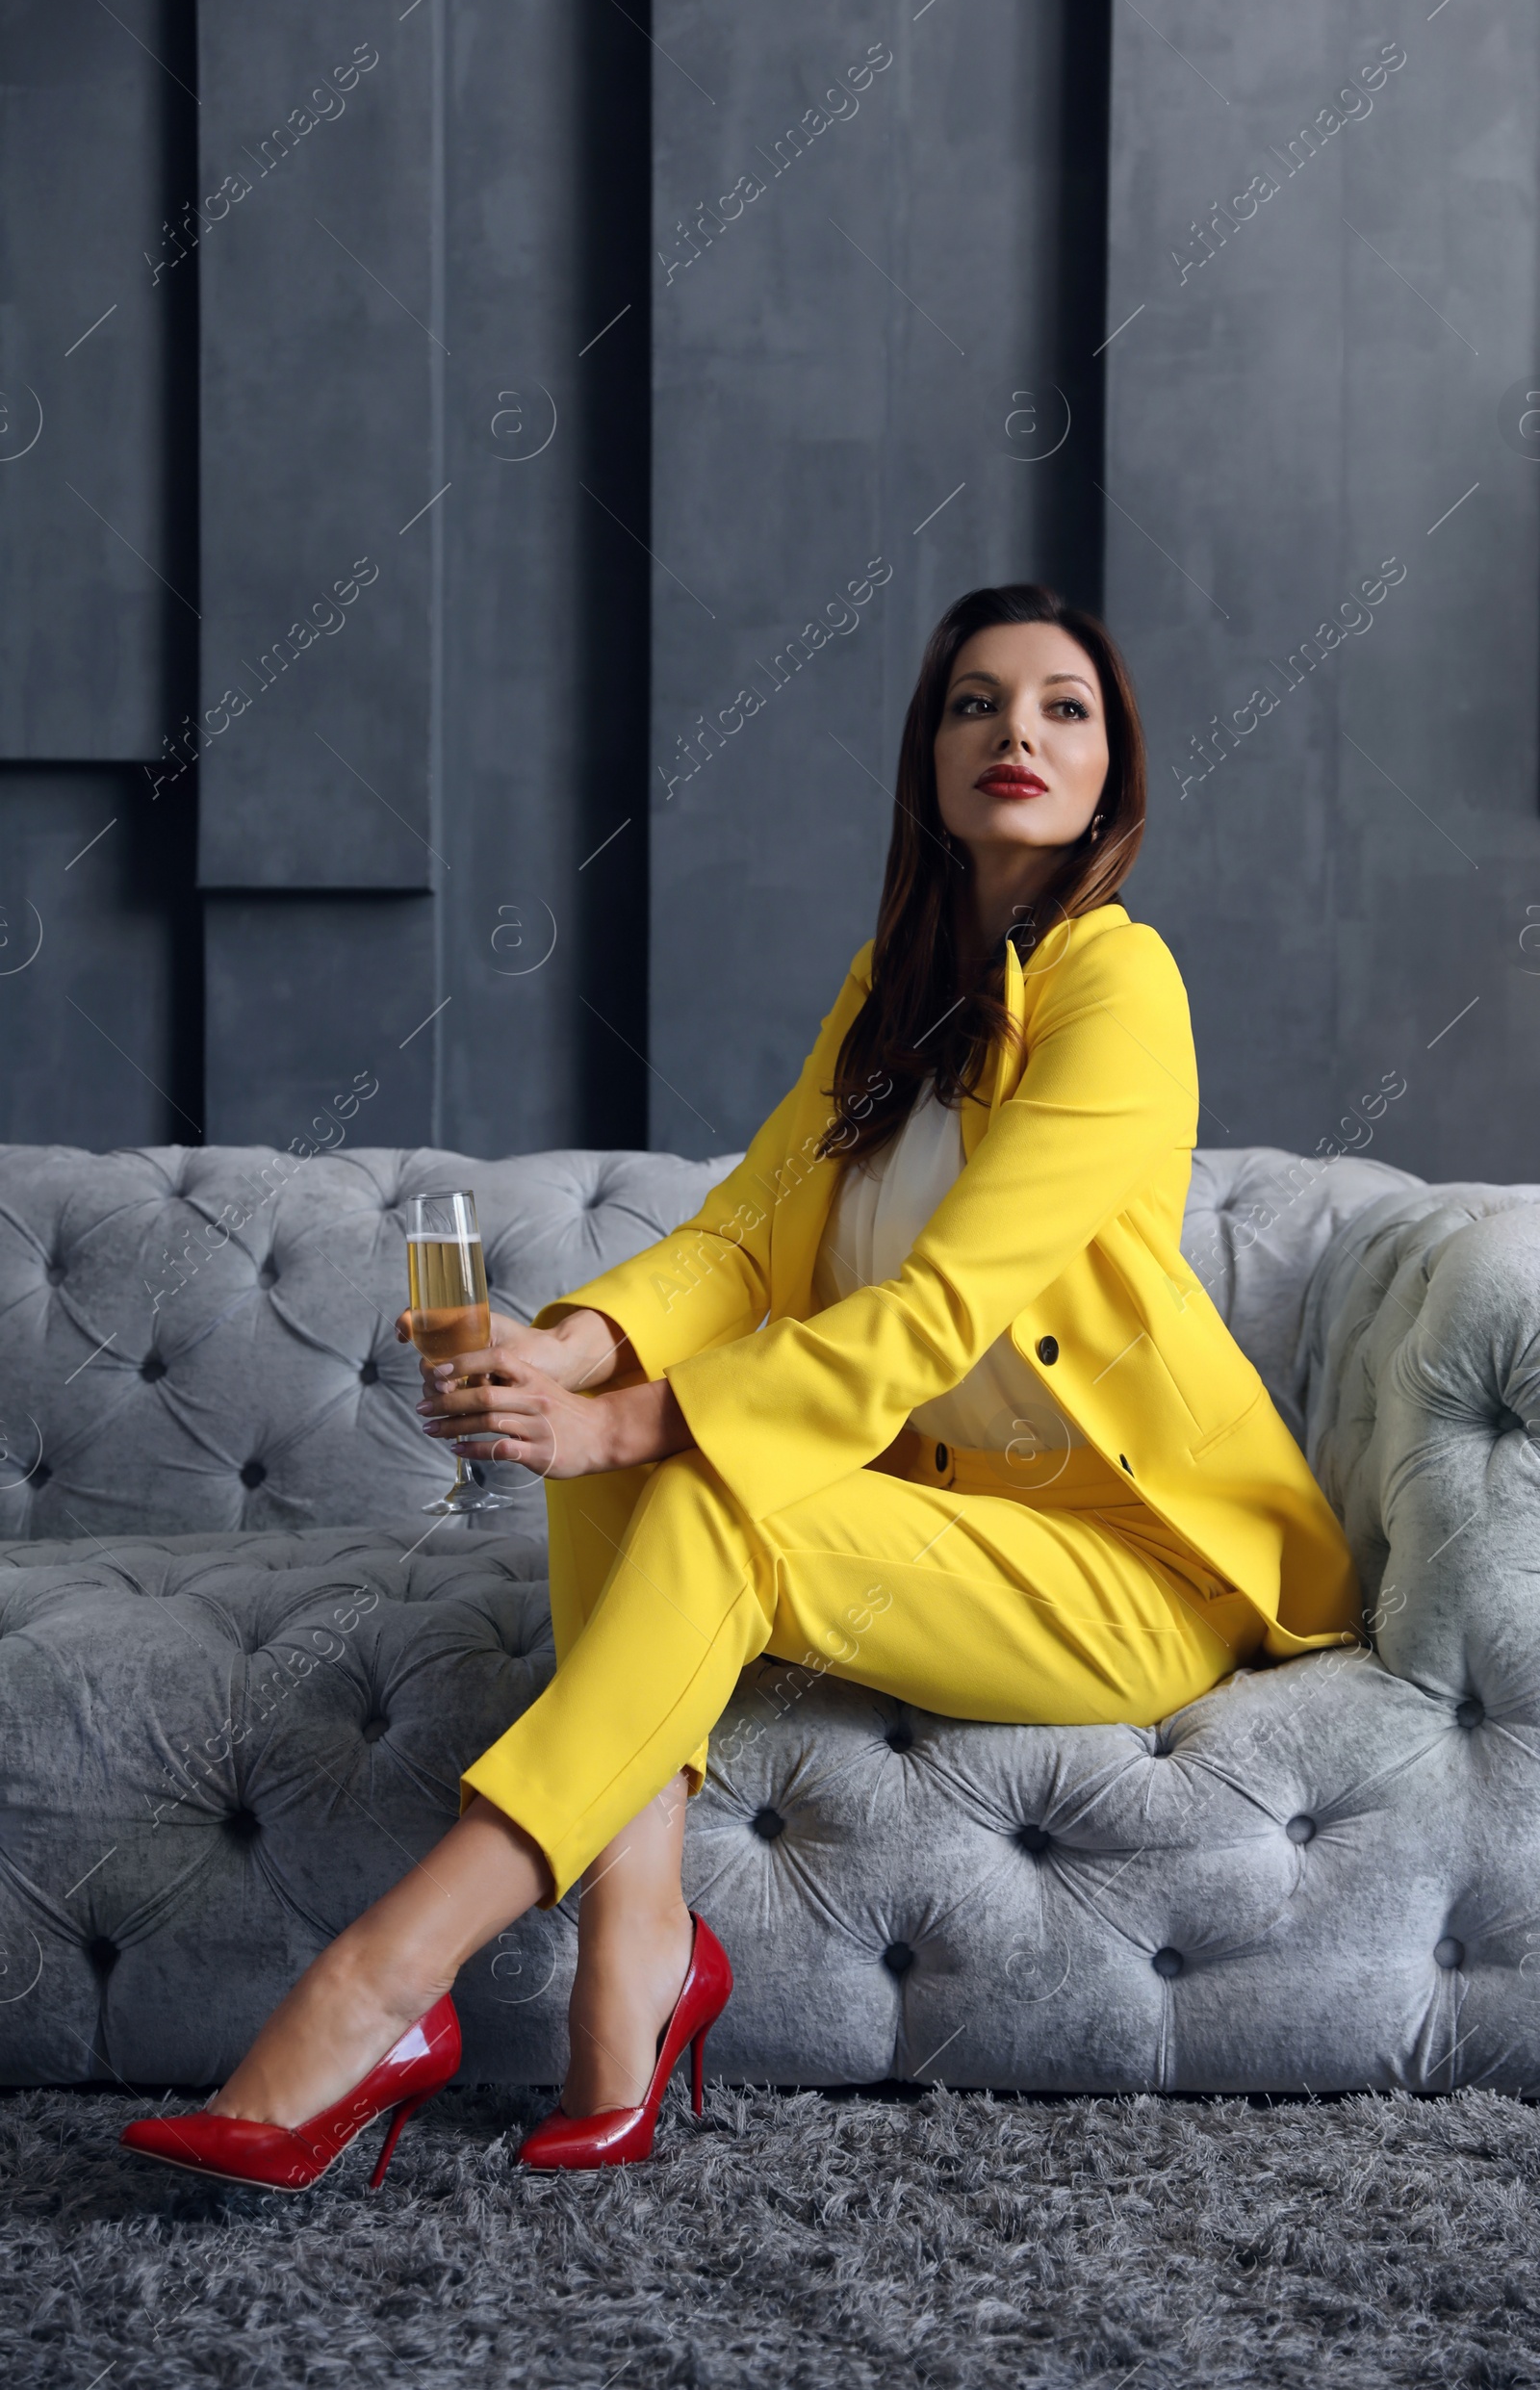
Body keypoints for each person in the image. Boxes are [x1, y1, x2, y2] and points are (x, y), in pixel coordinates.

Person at [120, 582, 1361, 2189]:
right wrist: (573, 1352)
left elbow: (932, 1312)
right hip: (943, 1519)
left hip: (1132, 1571)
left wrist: (641, 1412)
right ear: (927, 755)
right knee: (619, 1456)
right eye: (973, 702)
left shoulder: (1122, 991)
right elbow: (741, 1247)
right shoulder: (892, 992)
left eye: (1066, 707)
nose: (1016, 734)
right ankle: (637, 1958)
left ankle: (377, 1985)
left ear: (1115, 772)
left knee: (695, 1472)